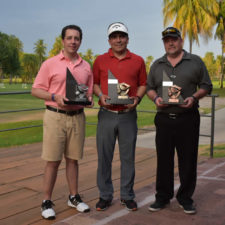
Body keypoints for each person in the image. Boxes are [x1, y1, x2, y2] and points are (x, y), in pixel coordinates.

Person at [147, 27, 212, 214]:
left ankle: (185, 198)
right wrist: (155, 99)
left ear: (180, 41)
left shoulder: (195, 61)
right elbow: (150, 87)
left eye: (174, 39)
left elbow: (206, 85)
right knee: (164, 160)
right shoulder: (157, 64)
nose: (170, 43)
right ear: (164, 42)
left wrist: (194, 97)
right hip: (164, 119)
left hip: (188, 119)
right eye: (167, 40)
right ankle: (162, 197)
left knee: (188, 160)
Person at [31, 25, 93, 220]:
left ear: (80, 41)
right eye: (69, 38)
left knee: (73, 160)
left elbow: (89, 93)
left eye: (76, 38)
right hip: (55, 115)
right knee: (53, 161)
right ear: (63, 40)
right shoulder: (50, 64)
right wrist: (54, 96)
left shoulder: (86, 66)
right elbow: (35, 90)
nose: (73, 41)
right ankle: (46, 201)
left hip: (77, 116)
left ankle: (73, 197)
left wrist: (88, 100)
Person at [93, 22, 147, 211]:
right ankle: (105, 195)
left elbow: (143, 84)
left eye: (121, 36)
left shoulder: (138, 60)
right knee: (104, 158)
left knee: (128, 158)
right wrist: (100, 96)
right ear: (109, 40)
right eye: (114, 36)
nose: (118, 40)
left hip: (128, 115)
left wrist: (137, 98)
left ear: (127, 38)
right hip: (106, 114)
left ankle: (127, 195)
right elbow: (95, 84)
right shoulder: (100, 60)